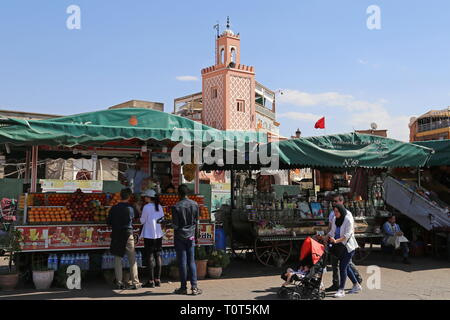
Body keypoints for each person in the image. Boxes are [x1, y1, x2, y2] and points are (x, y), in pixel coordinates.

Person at [325, 194, 362, 292]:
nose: (334, 204)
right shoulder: (333, 216)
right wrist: (326, 237)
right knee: (338, 265)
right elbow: (331, 229)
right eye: (333, 202)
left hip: (346, 246)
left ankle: (342, 289)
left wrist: (337, 240)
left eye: (336, 202)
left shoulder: (348, 216)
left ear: (341, 202)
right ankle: (350, 284)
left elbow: (348, 234)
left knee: (344, 266)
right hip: (336, 245)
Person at [107, 188, 141, 290]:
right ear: (129, 197)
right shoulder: (131, 208)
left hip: (117, 234)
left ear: (120, 196)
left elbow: (109, 222)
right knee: (132, 259)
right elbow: (137, 217)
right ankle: (135, 282)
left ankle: (119, 282)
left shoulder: (113, 208)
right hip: (128, 234)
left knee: (118, 259)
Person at [171, 184, 202, 295]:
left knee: (182, 262)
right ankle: (194, 287)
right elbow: (197, 222)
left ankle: (183, 287)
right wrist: (197, 236)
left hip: (180, 237)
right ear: (187, 193)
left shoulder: (176, 206)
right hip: (191, 236)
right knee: (191, 261)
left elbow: (175, 225)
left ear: (178, 194)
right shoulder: (195, 205)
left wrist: (168, 224)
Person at [139, 189, 164, 288]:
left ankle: (151, 281)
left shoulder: (146, 207)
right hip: (158, 234)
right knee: (157, 256)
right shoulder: (159, 207)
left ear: (149, 197)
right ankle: (157, 279)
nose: (144, 198)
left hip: (149, 234)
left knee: (149, 257)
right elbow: (162, 219)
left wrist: (138, 210)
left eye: (145, 197)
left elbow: (142, 221)